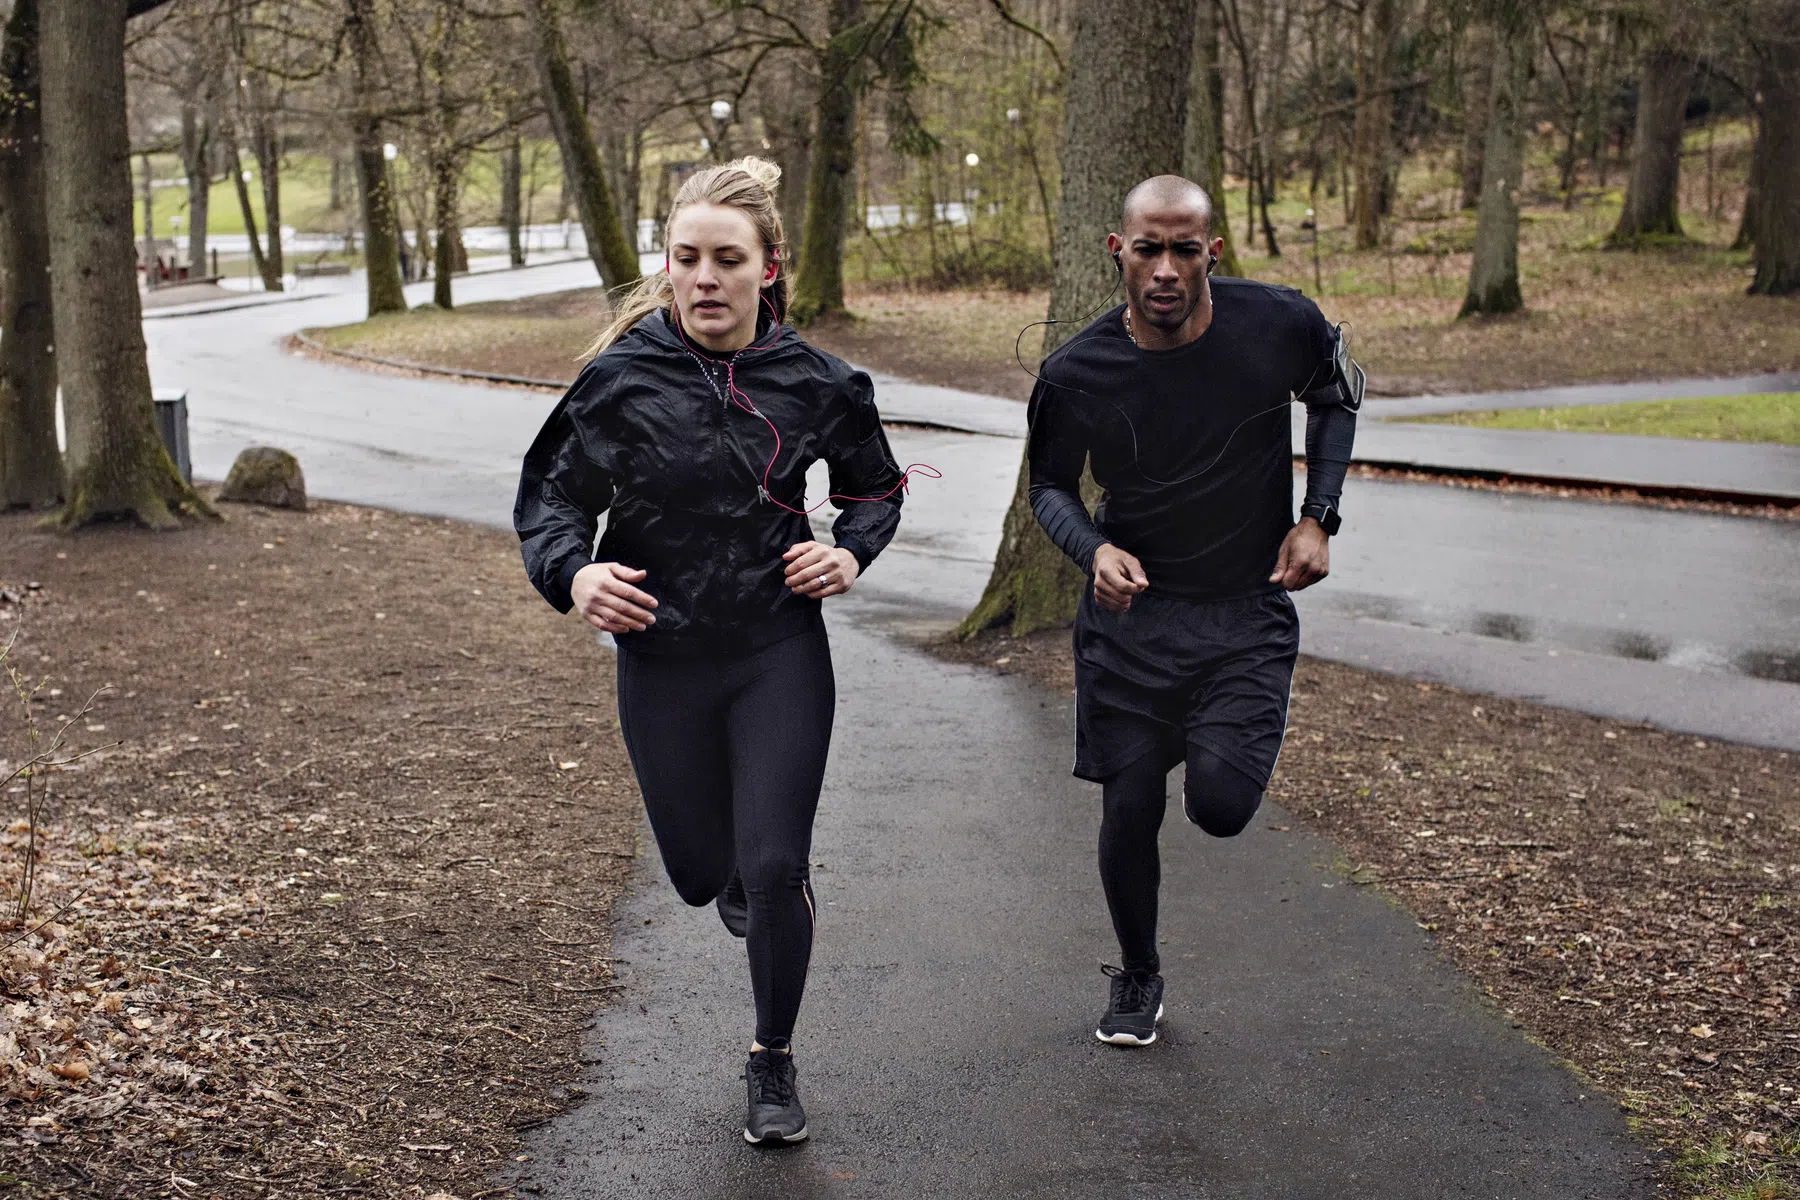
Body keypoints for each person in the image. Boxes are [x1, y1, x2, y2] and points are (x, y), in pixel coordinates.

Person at [515, 158, 908, 1143]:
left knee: (776, 864)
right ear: (668, 264)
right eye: (686, 257)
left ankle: (771, 1061)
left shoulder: (820, 382)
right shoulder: (619, 380)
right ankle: (727, 872)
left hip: (777, 648)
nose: (704, 278)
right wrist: (575, 576)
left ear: (768, 267)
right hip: (663, 654)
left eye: (727, 259)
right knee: (699, 873)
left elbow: (875, 487)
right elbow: (551, 500)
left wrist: (848, 553)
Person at [1027, 175, 1362, 1047]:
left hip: (1243, 611)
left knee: (1219, 804)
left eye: (1185, 250)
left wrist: (1318, 518)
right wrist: (1094, 551)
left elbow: (1335, 397)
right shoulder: (1076, 371)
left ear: (1212, 251)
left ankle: (1202, 732)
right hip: (1133, 622)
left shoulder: (1279, 322)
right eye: (1149, 250)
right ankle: (1137, 974)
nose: (1166, 270)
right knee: (1130, 803)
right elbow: (1049, 486)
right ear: (1119, 252)